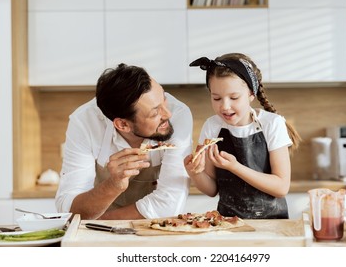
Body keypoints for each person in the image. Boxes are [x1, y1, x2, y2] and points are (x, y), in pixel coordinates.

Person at [55, 63, 193, 220]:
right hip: (98, 236)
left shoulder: (179, 114)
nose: (168, 114)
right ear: (123, 124)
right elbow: (69, 208)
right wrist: (113, 185)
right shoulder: (85, 122)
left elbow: (169, 204)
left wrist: (98, 223)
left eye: (164, 98)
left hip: (153, 230)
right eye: (155, 113)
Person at [184, 53, 301, 219]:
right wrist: (195, 173)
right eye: (216, 98)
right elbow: (212, 189)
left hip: (272, 225)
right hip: (227, 224)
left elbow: (281, 187)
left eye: (234, 97)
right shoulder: (212, 126)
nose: (225, 106)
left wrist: (235, 167)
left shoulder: (272, 124)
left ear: (251, 94)